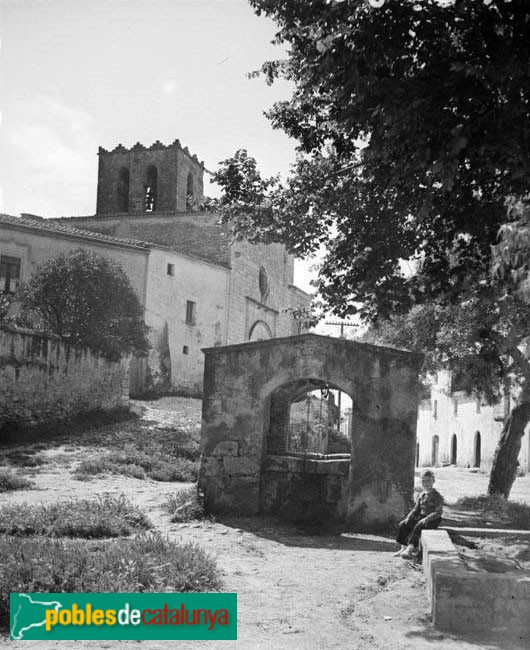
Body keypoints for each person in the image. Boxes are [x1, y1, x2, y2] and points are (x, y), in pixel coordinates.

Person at [395, 469, 444, 559]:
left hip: (433, 519)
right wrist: (409, 517)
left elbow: (438, 512)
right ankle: (403, 548)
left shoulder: (437, 496)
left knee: (418, 525)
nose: (426, 483)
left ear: (433, 481)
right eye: (423, 481)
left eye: (428, 481)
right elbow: (416, 509)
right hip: (422, 516)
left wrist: (427, 519)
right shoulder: (422, 495)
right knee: (404, 524)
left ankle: (410, 548)